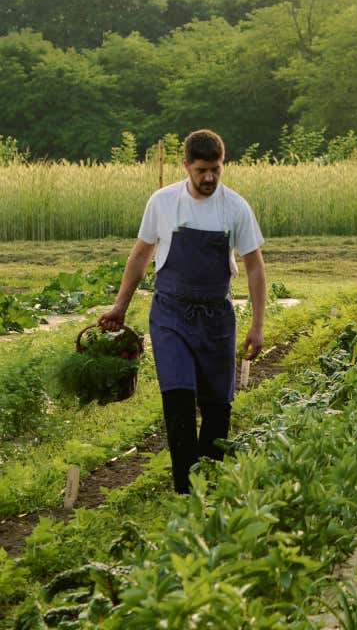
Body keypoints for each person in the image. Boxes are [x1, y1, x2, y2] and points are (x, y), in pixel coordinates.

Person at [99, 129, 265, 494]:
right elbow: (141, 255)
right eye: (202, 170)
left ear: (224, 165)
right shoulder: (162, 202)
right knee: (178, 397)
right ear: (186, 165)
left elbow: (254, 265)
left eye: (216, 170)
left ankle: (210, 483)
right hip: (170, 313)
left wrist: (257, 324)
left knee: (218, 407)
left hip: (216, 317)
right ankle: (185, 490)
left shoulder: (235, 207)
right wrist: (120, 307)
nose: (209, 178)